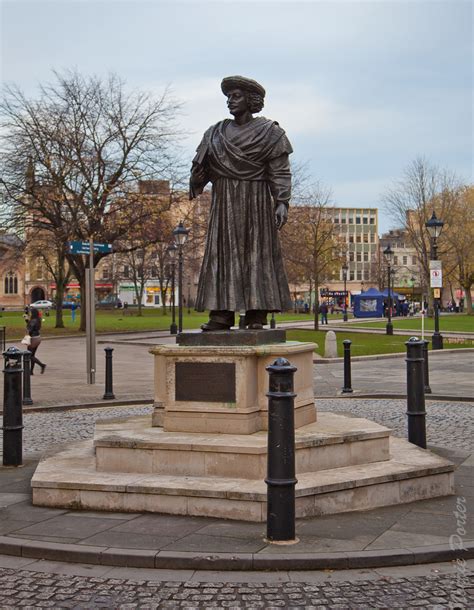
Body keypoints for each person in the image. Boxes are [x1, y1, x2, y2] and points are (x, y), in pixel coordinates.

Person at [189, 75, 293, 331]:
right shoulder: (214, 133)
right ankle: (221, 315)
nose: (230, 102)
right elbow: (199, 170)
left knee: (257, 253)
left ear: (251, 100)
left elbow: (279, 170)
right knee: (221, 254)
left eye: (236, 96)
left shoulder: (271, 133)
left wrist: (282, 201)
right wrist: (197, 179)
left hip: (256, 200)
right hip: (224, 202)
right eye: (228, 97)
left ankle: (257, 314)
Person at [26, 308, 46, 374]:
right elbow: (34, 326)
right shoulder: (38, 319)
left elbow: (30, 329)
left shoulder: (33, 320)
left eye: (31, 312)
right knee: (32, 355)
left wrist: (28, 323)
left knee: (29, 355)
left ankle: (42, 365)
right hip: (38, 337)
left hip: (33, 338)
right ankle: (31, 371)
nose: (30, 313)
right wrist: (28, 321)